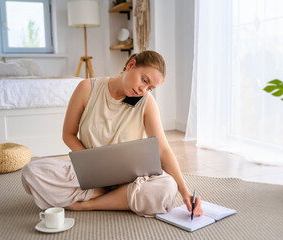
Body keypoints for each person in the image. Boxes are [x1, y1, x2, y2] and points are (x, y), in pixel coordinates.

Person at [21, 50, 203, 217]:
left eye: (150, 88)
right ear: (130, 65)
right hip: (90, 171)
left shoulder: (146, 103)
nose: (143, 90)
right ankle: (117, 196)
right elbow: (68, 134)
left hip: (130, 177)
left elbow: (163, 150)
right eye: (144, 80)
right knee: (32, 172)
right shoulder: (87, 88)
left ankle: (87, 204)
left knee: (167, 188)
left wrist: (185, 191)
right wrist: (90, 163)